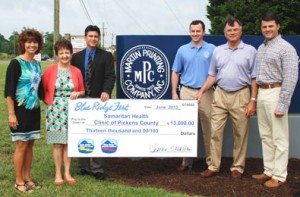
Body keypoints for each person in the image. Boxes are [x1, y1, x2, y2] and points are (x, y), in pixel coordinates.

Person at [197, 16, 257, 179]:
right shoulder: (218, 51)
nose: (232, 32)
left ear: (241, 31)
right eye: (229, 30)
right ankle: (213, 166)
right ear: (224, 33)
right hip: (220, 94)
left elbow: (254, 78)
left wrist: (253, 100)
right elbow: (212, 75)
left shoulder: (250, 51)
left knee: (240, 133)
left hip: (241, 94)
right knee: (215, 131)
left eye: (235, 29)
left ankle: (237, 167)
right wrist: (202, 90)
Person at [252, 12, 298, 188]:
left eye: (271, 26)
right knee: (266, 136)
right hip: (263, 93)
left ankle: (279, 175)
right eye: (264, 26)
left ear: (278, 26)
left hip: (276, 92)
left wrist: (283, 102)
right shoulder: (261, 48)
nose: (267, 29)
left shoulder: (286, 48)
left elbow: (291, 76)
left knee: (279, 137)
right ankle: (269, 170)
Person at [71, 25, 116, 180]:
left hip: (99, 100)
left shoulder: (106, 56)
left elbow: (110, 76)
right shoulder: (76, 57)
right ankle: (83, 166)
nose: (93, 39)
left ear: (99, 38)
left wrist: (107, 91)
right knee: (82, 131)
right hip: (80, 101)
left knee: (97, 133)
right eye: (90, 36)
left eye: (96, 36)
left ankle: (97, 168)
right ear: (85, 38)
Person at [171, 20, 216, 171]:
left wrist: (203, 90)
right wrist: (174, 92)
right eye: (193, 31)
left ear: (204, 32)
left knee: (208, 128)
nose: (195, 33)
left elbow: (215, 73)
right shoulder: (182, 50)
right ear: (190, 32)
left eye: (198, 31)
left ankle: (211, 163)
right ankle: (185, 162)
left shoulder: (212, 49)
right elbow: (175, 72)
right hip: (186, 91)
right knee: (186, 128)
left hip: (206, 93)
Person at [4, 29, 44, 193]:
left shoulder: (36, 64)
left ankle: (27, 178)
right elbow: (9, 91)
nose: (32, 45)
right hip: (20, 111)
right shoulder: (15, 63)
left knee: (30, 144)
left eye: (35, 42)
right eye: (29, 42)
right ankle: (19, 181)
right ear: (23, 44)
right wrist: (11, 114)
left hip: (34, 110)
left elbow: (41, 89)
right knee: (21, 145)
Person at [42, 40, 85, 185]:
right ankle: (58, 173)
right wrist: (49, 101)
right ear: (57, 54)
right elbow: (43, 89)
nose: (64, 55)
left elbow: (83, 90)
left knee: (68, 142)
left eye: (67, 52)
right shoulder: (50, 70)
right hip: (55, 111)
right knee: (58, 144)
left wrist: (77, 93)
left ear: (71, 53)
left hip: (72, 110)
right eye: (61, 53)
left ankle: (67, 172)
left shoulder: (76, 71)